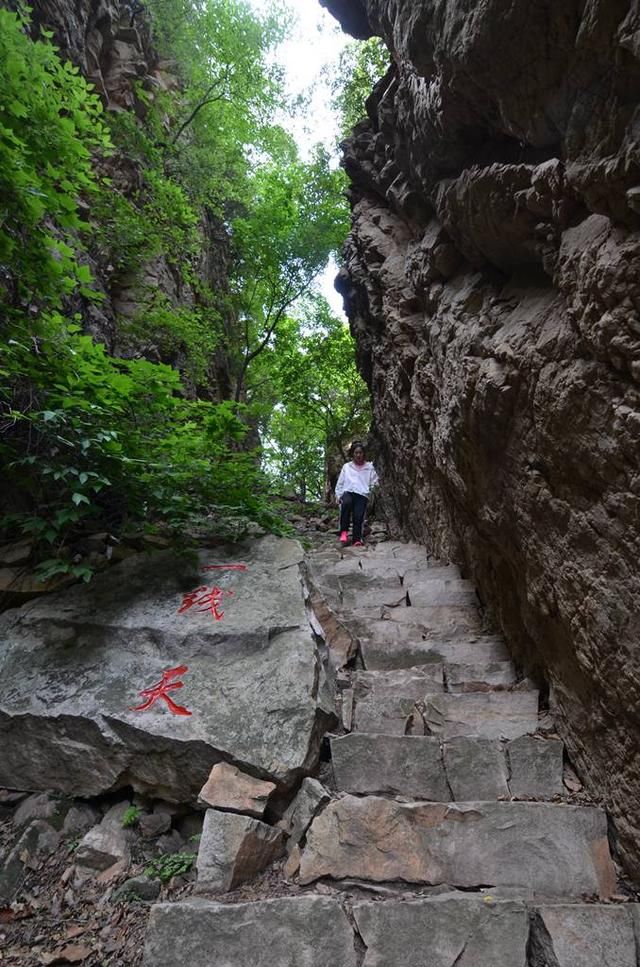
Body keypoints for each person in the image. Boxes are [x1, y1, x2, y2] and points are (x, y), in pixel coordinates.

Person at [335, 442, 379, 546]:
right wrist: (338, 495)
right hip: (348, 492)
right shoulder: (347, 467)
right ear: (352, 454)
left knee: (358, 516)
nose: (358, 455)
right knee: (346, 503)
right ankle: (344, 532)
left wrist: (370, 491)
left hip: (362, 494)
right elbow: (340, 483)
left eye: (360, 452)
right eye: (356, 453)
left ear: (364, 454)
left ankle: (356, 539)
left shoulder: (369, 467)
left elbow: (375, 482)